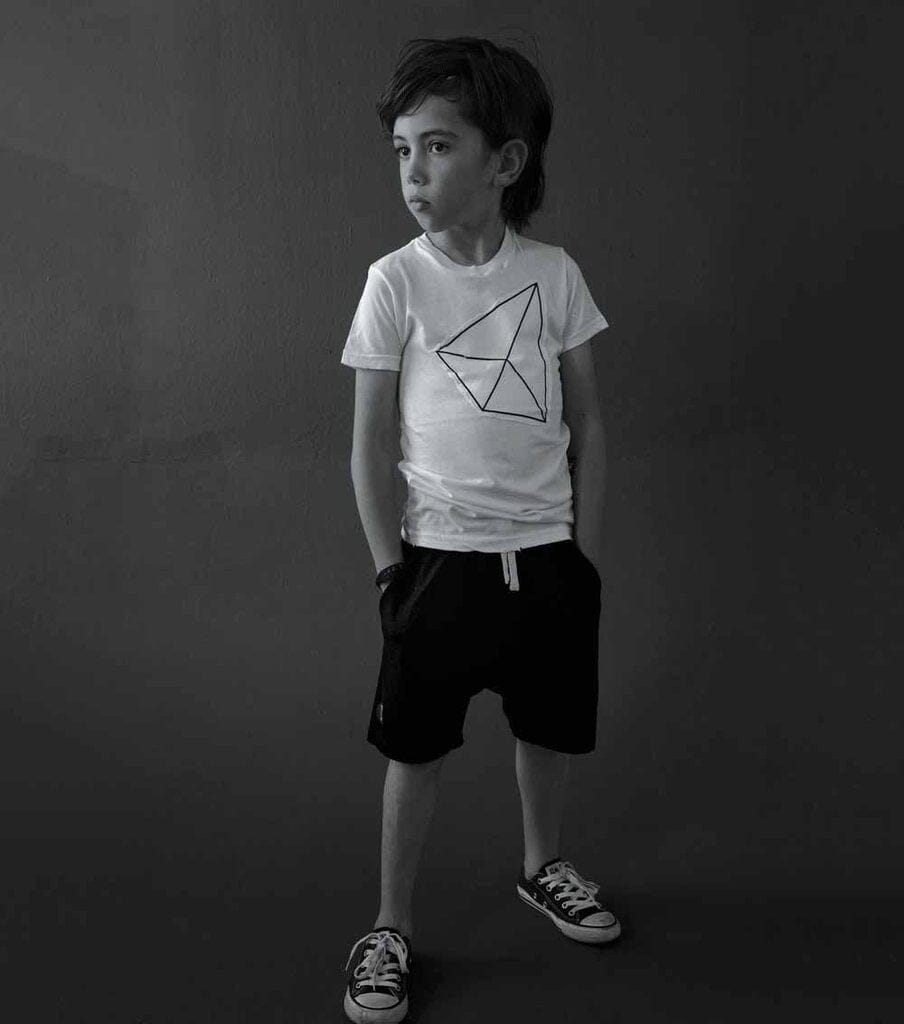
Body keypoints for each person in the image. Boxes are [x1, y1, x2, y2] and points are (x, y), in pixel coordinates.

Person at [339, 36, 620, 1024]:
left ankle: (543, 865)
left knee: (546, 728)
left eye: (438, 146)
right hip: (438, 565)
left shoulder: (554, 274)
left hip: (545, 559)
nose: (413, 172)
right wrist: (390, 573)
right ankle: (389, 925)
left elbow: (589, 424)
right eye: (402, 150)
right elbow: (367, 446)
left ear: (505, 161)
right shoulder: (394, 282)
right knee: (413, 750)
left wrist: (583, 559)